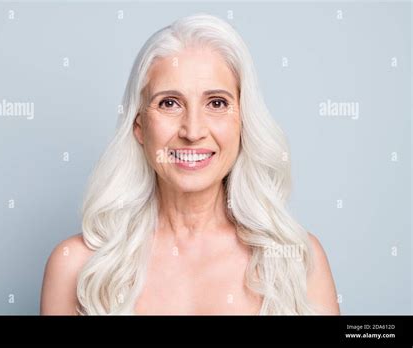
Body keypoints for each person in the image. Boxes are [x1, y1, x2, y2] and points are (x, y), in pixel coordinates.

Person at [41, 13, 340, 315]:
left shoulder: (297, 262)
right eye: (169, 103)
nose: (193, 131)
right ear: (139, 126)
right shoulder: (75, 267)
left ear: (243, 122)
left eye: (217, 103)